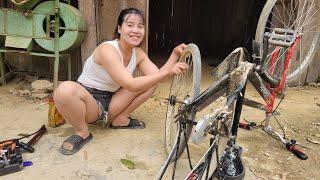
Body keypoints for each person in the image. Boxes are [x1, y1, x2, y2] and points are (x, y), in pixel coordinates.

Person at [53, 8, 189, 155]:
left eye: (140, 26)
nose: (136, 30)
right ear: (119, 28)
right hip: (88, 103)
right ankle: (82, 132)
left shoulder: (138, 54)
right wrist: (167, 73)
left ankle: (120, 119)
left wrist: (174, 54)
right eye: (130, 25)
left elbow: (158, 77)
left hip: (112, 102)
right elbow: (130, 84)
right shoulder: (107, 49)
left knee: (151, 82)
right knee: (65, 89)